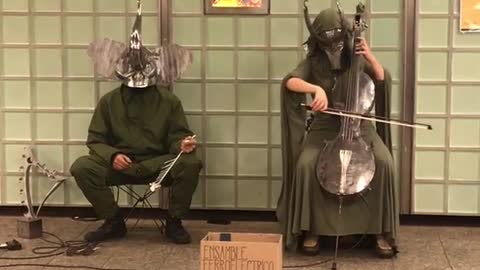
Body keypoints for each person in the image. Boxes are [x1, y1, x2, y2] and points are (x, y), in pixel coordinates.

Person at [70, 0, 201, 244]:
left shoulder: (169, 101)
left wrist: (182, 145)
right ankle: (113, 221)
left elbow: (178, 136)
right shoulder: (109, 101)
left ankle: (175, 221)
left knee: (191, 164)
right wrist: (112, 156)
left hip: (158, 165)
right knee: (82, 167)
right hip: (122, 164)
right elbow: (95, 140)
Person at [276, 5, 399, 258]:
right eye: (326, 42)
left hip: (360, 127)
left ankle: (378, 231)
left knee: (384, 162)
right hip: (324, 128)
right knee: (306, 165)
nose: (333, 47)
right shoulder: (314, 61)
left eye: (337, 40)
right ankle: (312, 229)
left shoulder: (356, 56)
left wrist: (371, 56)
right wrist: (316, 89)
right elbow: (290, 81)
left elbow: (380, 78)